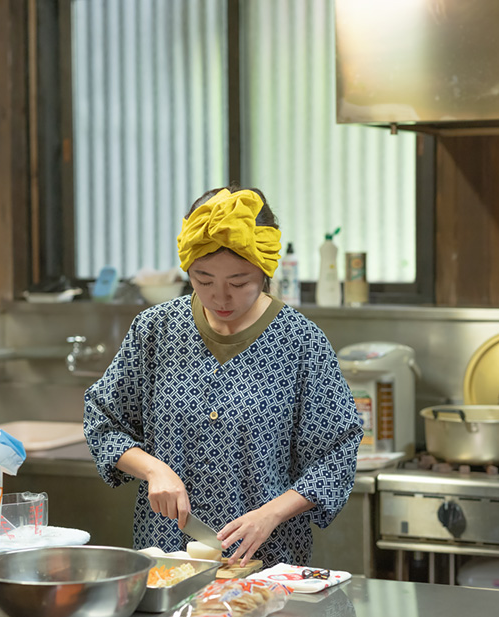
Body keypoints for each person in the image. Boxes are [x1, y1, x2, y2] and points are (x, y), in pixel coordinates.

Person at [83, 186, 363, 570]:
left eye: (239, 282)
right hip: (169, 558)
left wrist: (271, 514)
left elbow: (337, 454)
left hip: (267, 562)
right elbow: (102, 421)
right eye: (203, 279)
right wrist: (153, 469)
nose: (220, 298)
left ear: (265, 270)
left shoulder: (300, 341)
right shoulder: (155, 330)